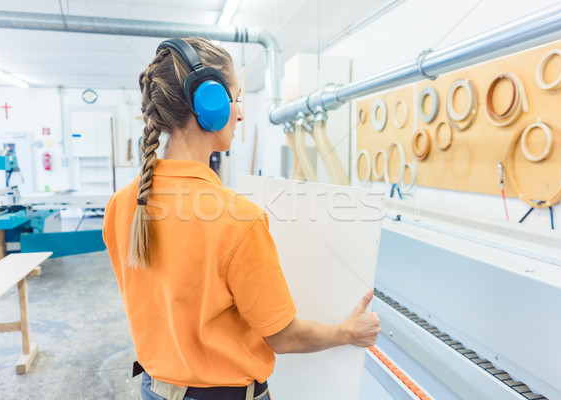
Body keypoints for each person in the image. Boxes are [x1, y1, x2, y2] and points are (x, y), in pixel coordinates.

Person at [103, 37, 381, 400]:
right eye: (235, 98)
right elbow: (282, 336)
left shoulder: (121, 205)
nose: (240, 113)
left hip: (154, 390)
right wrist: (347, 332)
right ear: (209, 103)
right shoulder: (237, 219)